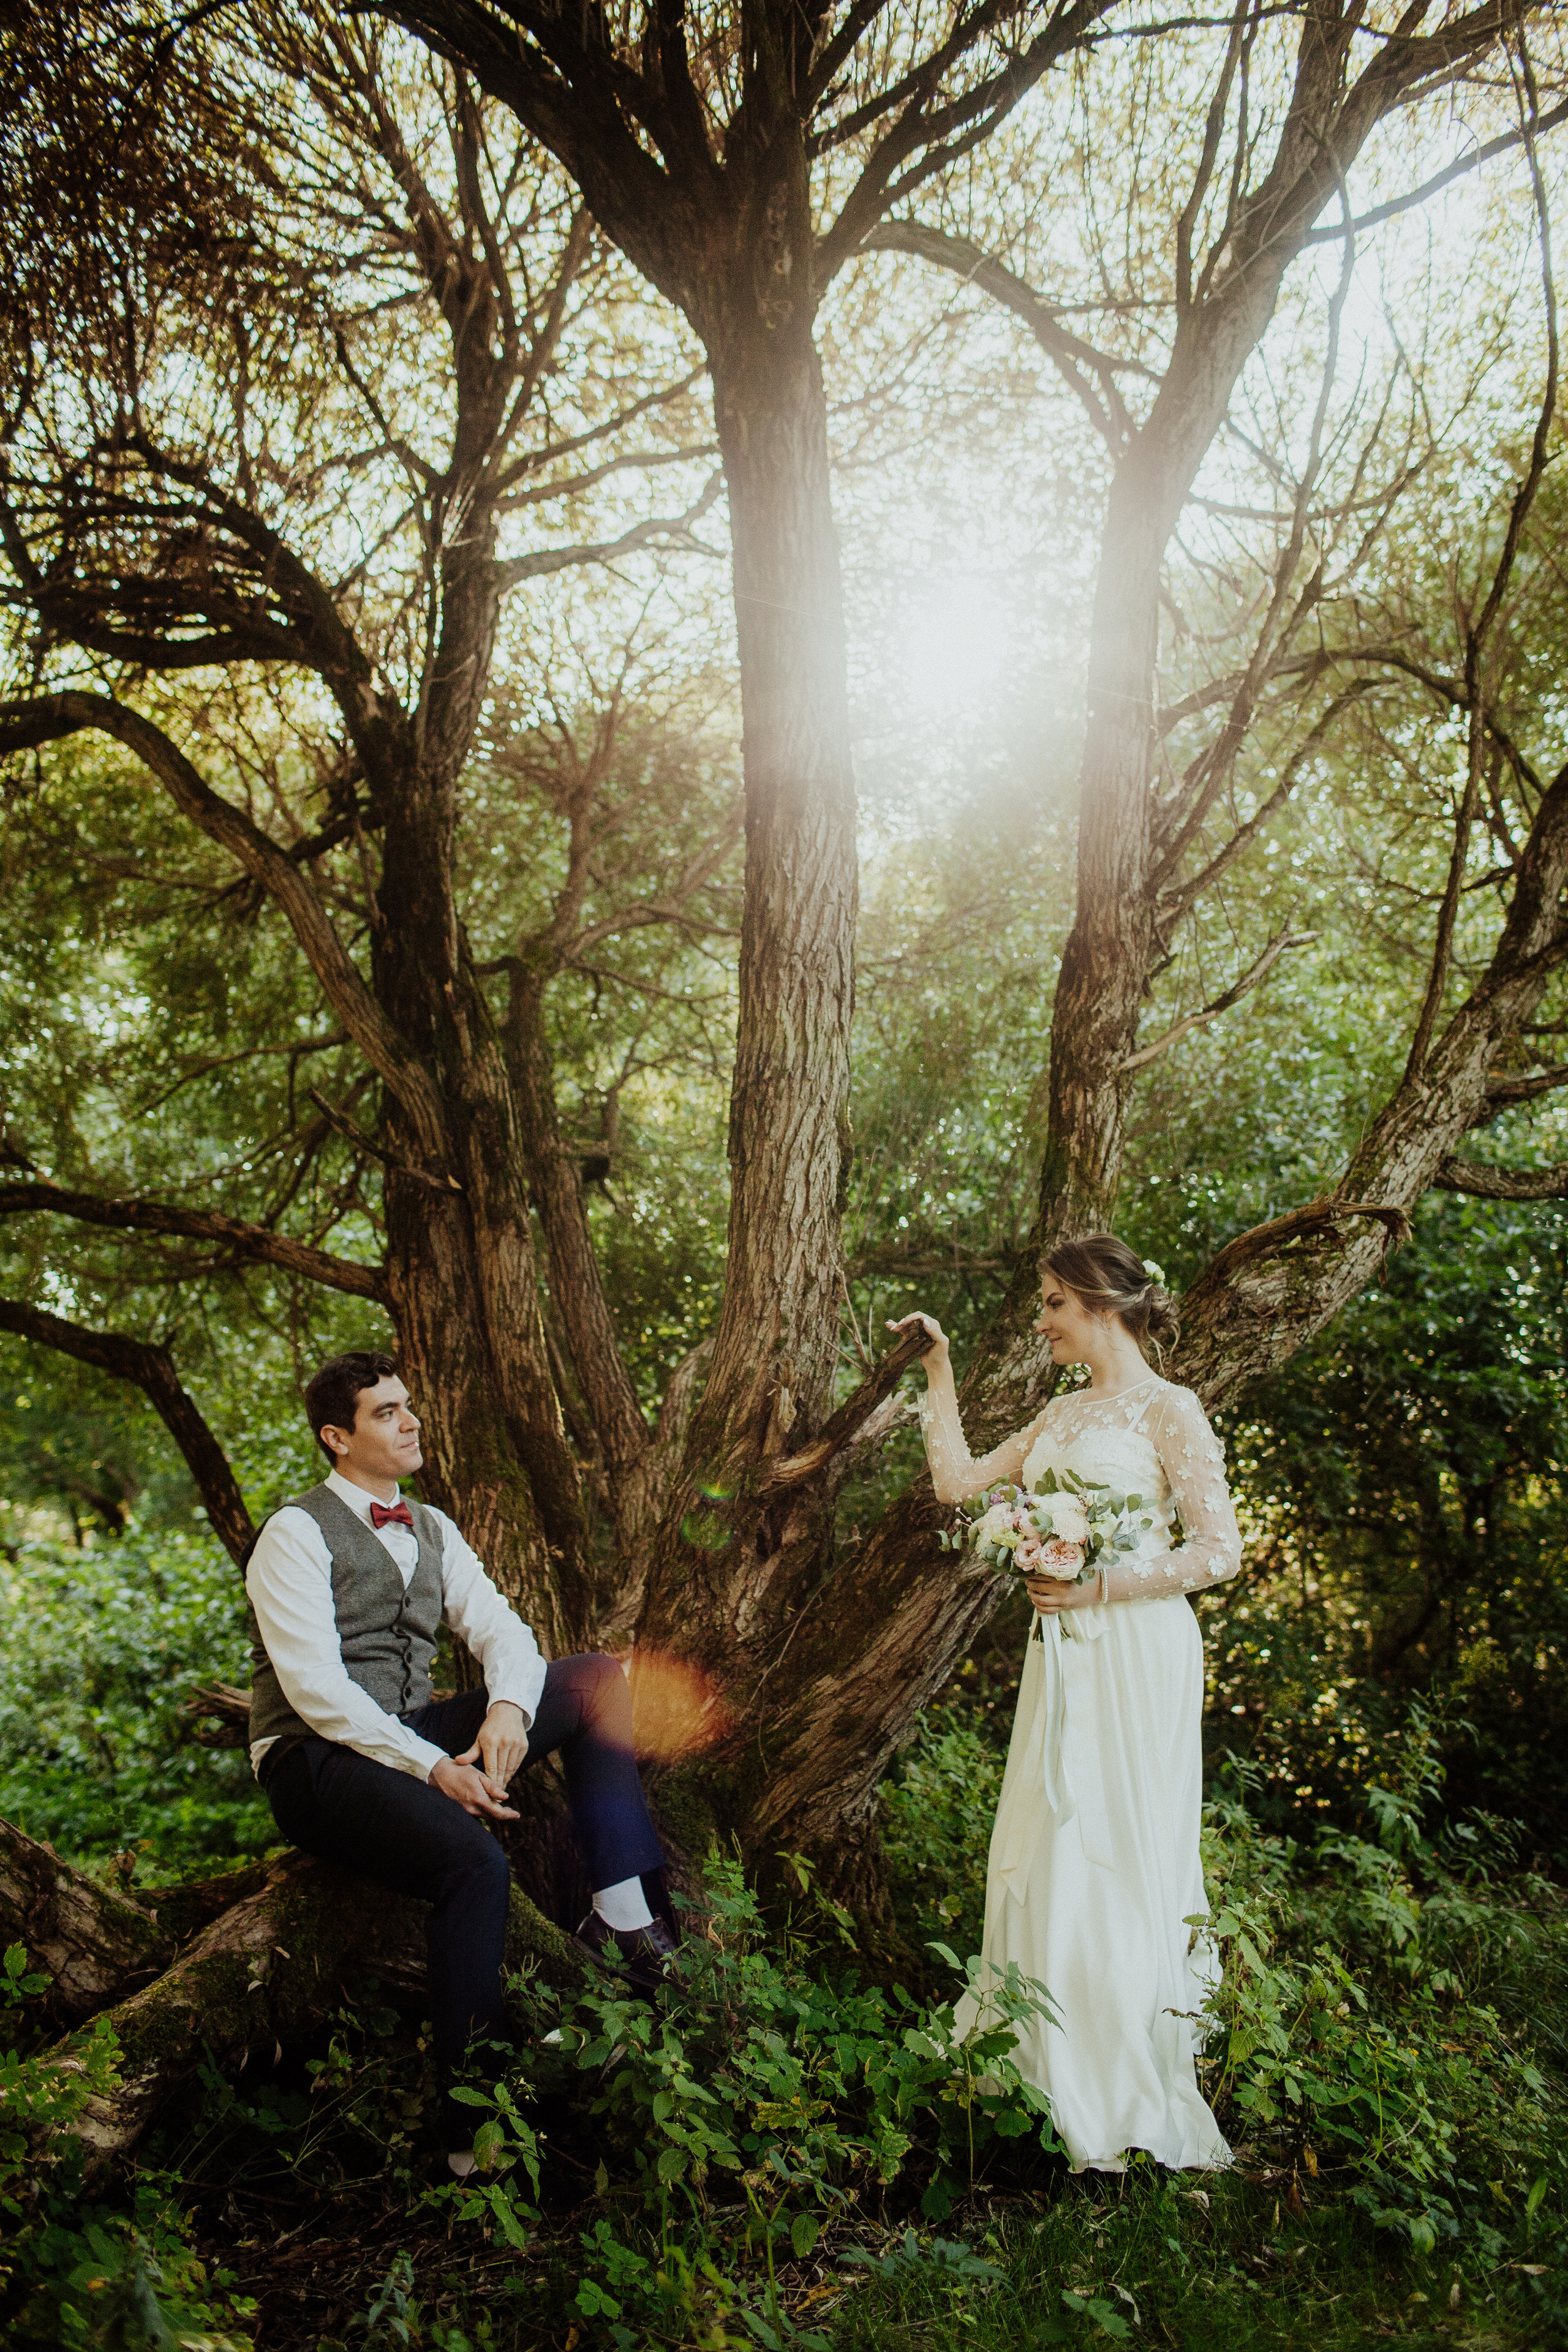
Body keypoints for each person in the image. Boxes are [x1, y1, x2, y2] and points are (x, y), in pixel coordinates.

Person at [244, 1349, 673, 2177]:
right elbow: (315, 1690)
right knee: (474, 1865)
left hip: (403, 1732)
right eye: (385, 1413)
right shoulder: (295, 1532)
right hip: (313, 1758)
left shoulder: (432, 1525)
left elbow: (503, 1630)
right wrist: (434, 1768)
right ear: (337, 1437)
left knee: (594, 1680)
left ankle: (622, 1912)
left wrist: (509, 1706)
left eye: (409, 1406)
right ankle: (470, 2136)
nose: (409, 1423)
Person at [893, 1234, 1242, 2174]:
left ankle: (1130, 2073)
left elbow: (1220, 1551)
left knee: (1126, 1844)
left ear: (1099, 1304)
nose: (1041, 1319)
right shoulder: (1054, 1419)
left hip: (1137, 1649)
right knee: (1052, 1835)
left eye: (1052, 1302)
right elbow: (957, 1484)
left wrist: (1099, 1586)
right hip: (1064, 1657)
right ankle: (1043, 2070)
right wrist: (939, 1370)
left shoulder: (1171, 1410)